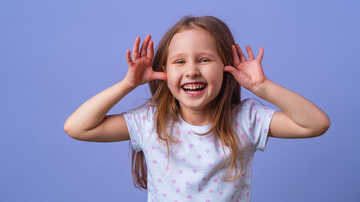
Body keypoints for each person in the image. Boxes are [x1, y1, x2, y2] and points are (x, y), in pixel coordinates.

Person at [64, 16, 330, 202]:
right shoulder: (150, 121)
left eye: (204, 59)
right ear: (164, 72)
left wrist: (263, 87)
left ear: (227, 67)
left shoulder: (246, 120)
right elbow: (77, 127)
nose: (192, 71)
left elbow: (316, 124)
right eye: (179, 61)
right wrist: (127, 84)